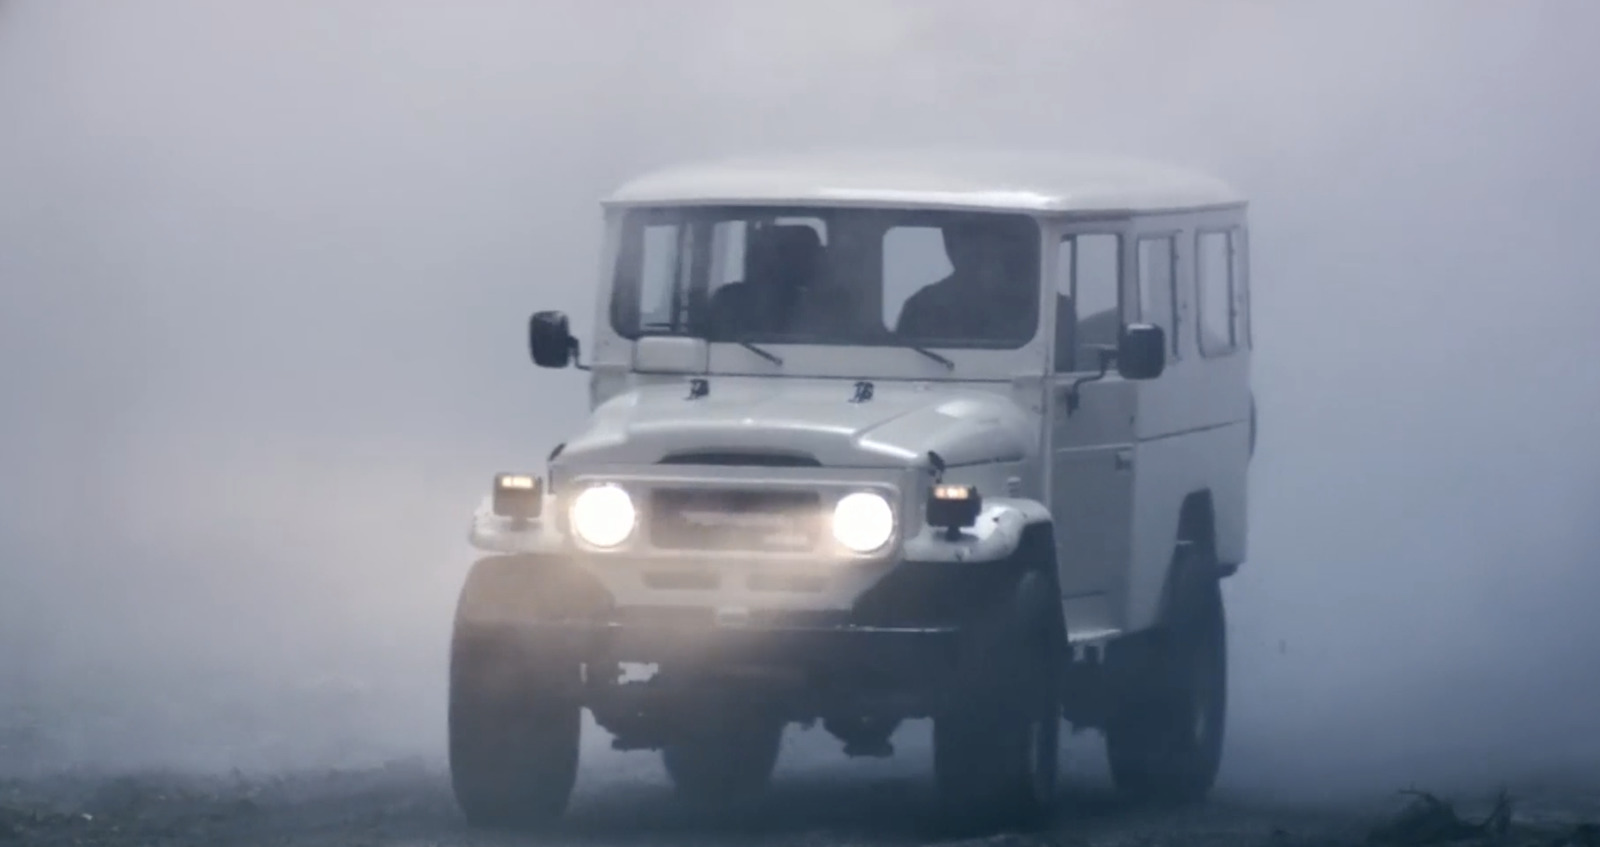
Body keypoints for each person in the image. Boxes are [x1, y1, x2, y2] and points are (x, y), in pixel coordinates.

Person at [894, 218, 1041, 344]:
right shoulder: (923, 306)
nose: (975, 249)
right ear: (949, 245)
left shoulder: (1047, 307)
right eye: (963, 238)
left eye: (981, 239)